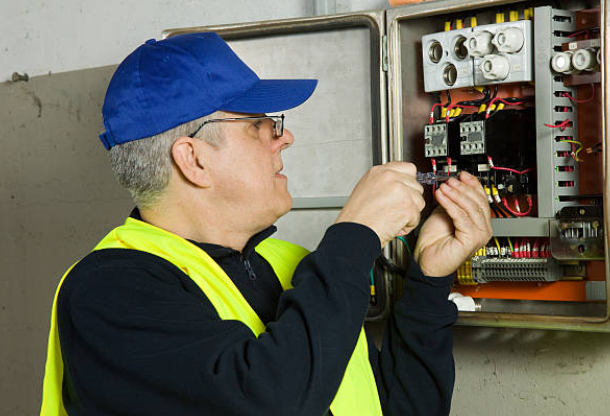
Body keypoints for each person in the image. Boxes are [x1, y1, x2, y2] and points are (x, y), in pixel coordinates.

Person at [40, 32, 492, 416]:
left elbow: (400, 407)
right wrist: (356, 235)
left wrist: (428, 284)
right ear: (193, 160)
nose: (285, 137)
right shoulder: (109, 292)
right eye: (260, 124)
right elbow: (268, 400)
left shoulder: (291, 265)